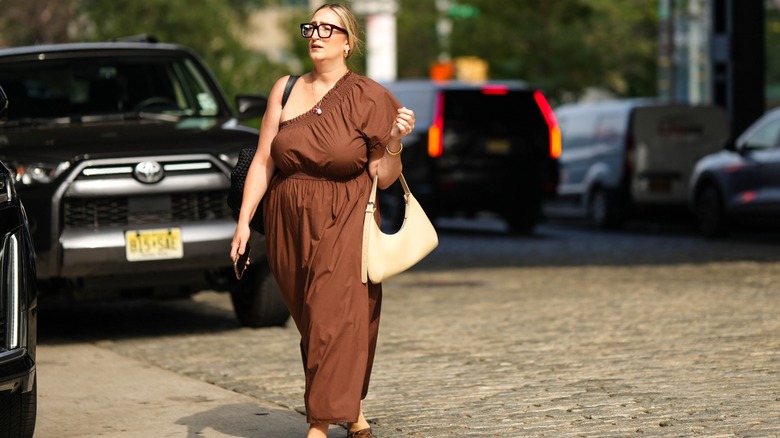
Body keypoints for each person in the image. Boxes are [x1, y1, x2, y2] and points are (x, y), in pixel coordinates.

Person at [230, 3, 414, 437]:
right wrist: (243, 222)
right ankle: (351, 412)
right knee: (314, 319)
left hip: (344, 211)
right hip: (287, 217)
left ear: (348, 42)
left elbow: (383, 178)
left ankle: (319, 423)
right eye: (312, 27)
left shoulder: (370, 96)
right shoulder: (285, 88)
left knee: (336, 313)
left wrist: (393, 143)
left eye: (328, 29)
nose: (316, 34)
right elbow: (262, 161)